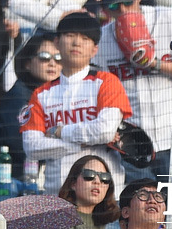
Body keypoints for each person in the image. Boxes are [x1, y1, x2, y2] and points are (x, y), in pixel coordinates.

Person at [20, 10, 133, 196]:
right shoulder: (41, 93)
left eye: (85, 38)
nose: (76, 43)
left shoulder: (107, 82)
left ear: (94, 49)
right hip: (58, 194)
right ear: (57, 42)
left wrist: (59, 132)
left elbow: (105, 131)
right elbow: (32, 147)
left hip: (103, 196)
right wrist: (81, 145)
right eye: (70, 35)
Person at [94, 0, 172, 182]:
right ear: (105, 9)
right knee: (138, 202)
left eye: (128, 2)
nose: (123, 11)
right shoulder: (102, 39)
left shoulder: (168, 18)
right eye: (114, 6)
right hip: (131, 144)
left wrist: (154, 64)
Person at [0, 32, 62, 179]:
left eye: (59, 58)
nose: (52, 63)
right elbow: (20, 144)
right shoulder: (19, 97)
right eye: (44, 57)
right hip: (11, 178)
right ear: (28, 63)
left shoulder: (55, 94)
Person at [59, 154, 120, 229]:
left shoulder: (110, 222)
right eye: (89, 174)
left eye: (104, 177)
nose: (97, 181)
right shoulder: (63, 219)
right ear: (73, 184)